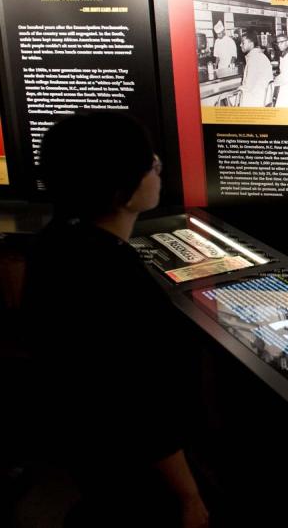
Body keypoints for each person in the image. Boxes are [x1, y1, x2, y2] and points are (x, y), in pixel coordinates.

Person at [22, 112, 208, 528]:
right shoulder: (109, 274)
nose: (159, 170)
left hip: (91, 462)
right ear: (125, 191)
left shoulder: (55, 244)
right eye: (151, 164)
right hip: (140, 481)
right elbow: (138, 404)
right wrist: (188, 495)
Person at [238, 31, 273, 107]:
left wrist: (239, 88)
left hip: (254, 101)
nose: (240, 45)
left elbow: (248, 86)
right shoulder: (261, 56)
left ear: (251, 43)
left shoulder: (253, 59)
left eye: (243, 43)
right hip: (264, 99)